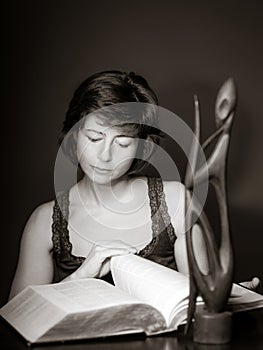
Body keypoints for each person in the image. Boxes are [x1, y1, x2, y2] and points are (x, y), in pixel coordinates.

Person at [8, 70, 259, 299]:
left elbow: (198, 303)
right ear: (74, 136)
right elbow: (16, 318)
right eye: (94, 138)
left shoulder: (175, 202)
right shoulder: (45, 221)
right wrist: (80, 277)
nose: (105, 155)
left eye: (123, 143)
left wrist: (221, 302)